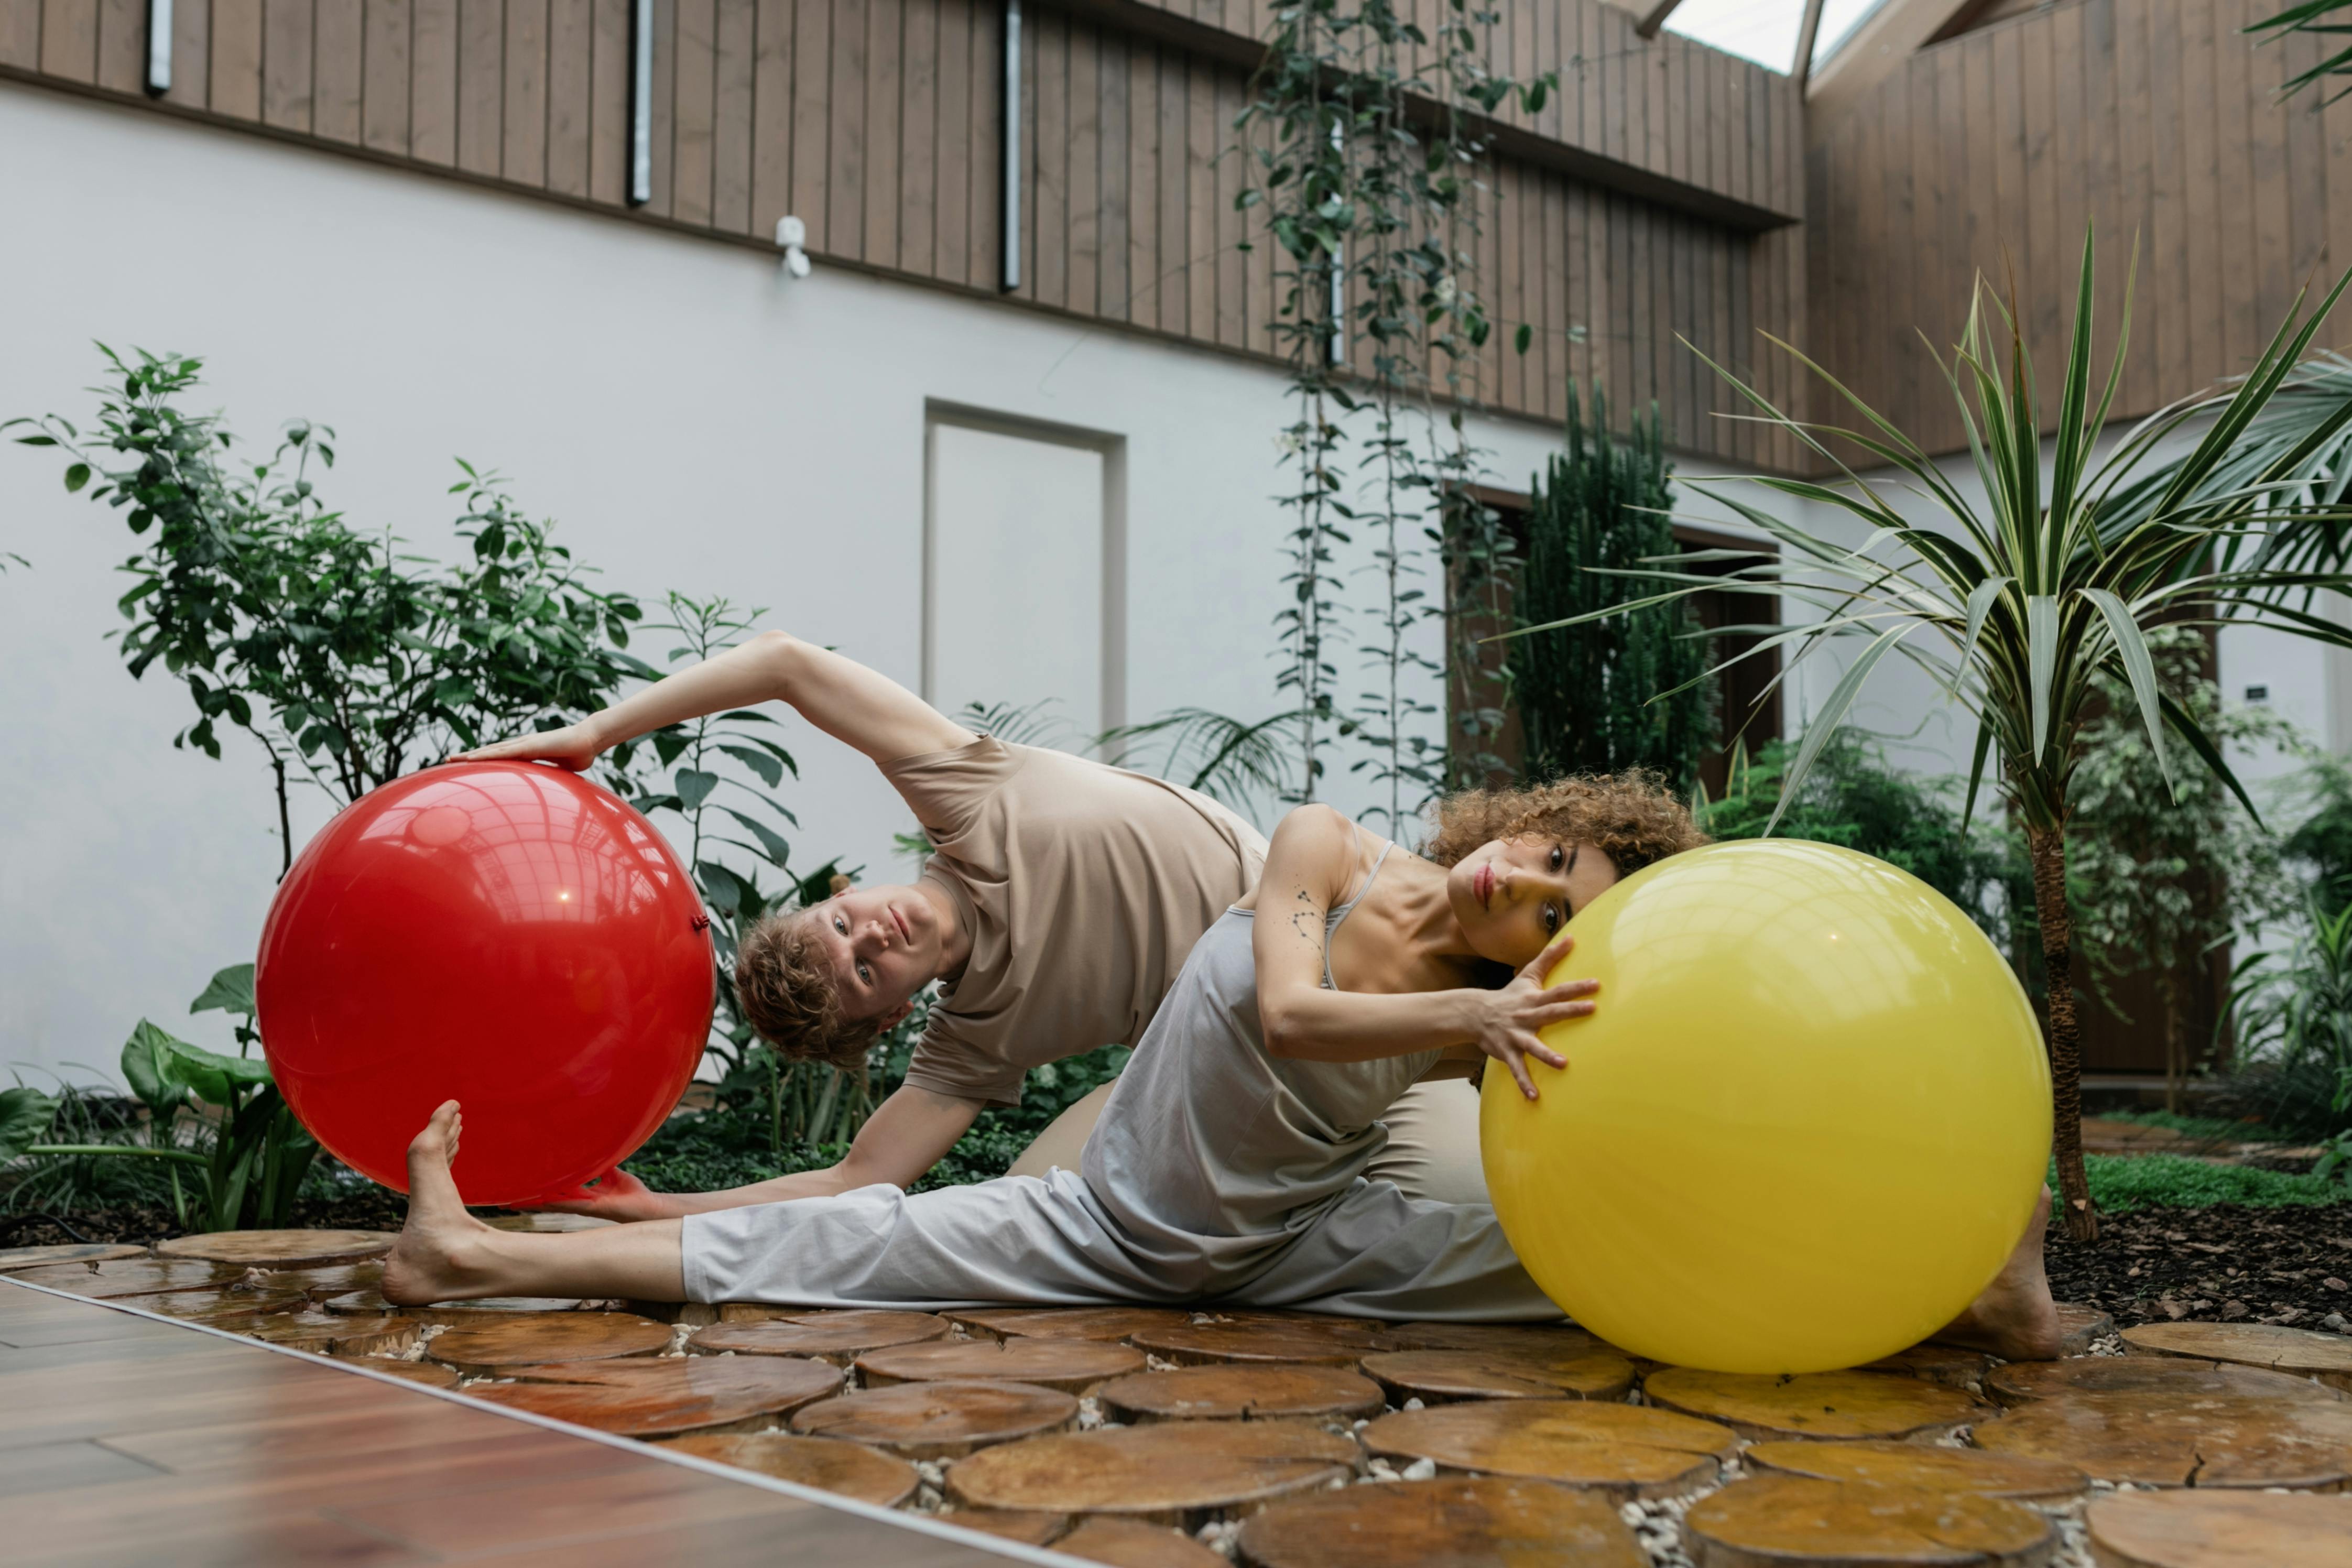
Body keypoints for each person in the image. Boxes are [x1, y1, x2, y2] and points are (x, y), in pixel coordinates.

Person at [381, 777, 2064, 1355]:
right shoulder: (1328, 847)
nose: (1525, 881)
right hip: (1117, 1226)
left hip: (1294, 1249)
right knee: (837, 1251)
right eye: (1550, 849)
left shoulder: (1505, 1016)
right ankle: (471, 1253)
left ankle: (1973, 1293)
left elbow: (1695, 1113)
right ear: (1531, 822)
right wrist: (1475, 1023)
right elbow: (1283, 1012)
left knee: (1600, 1276)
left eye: (1554, 907)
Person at [459, 629, 1489, 1214]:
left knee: (1492, 1126)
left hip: (1367, 942)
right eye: (866, 970)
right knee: (1030, 1217)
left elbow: (787, 666)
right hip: (1279, 1060)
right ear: (894, 1013)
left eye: (844, 921)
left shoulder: (968, 795)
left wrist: (599, 730)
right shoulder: (977, 1033)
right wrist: (656, 1212)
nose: (875, 936)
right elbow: (862, 1176)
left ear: (847, 881)